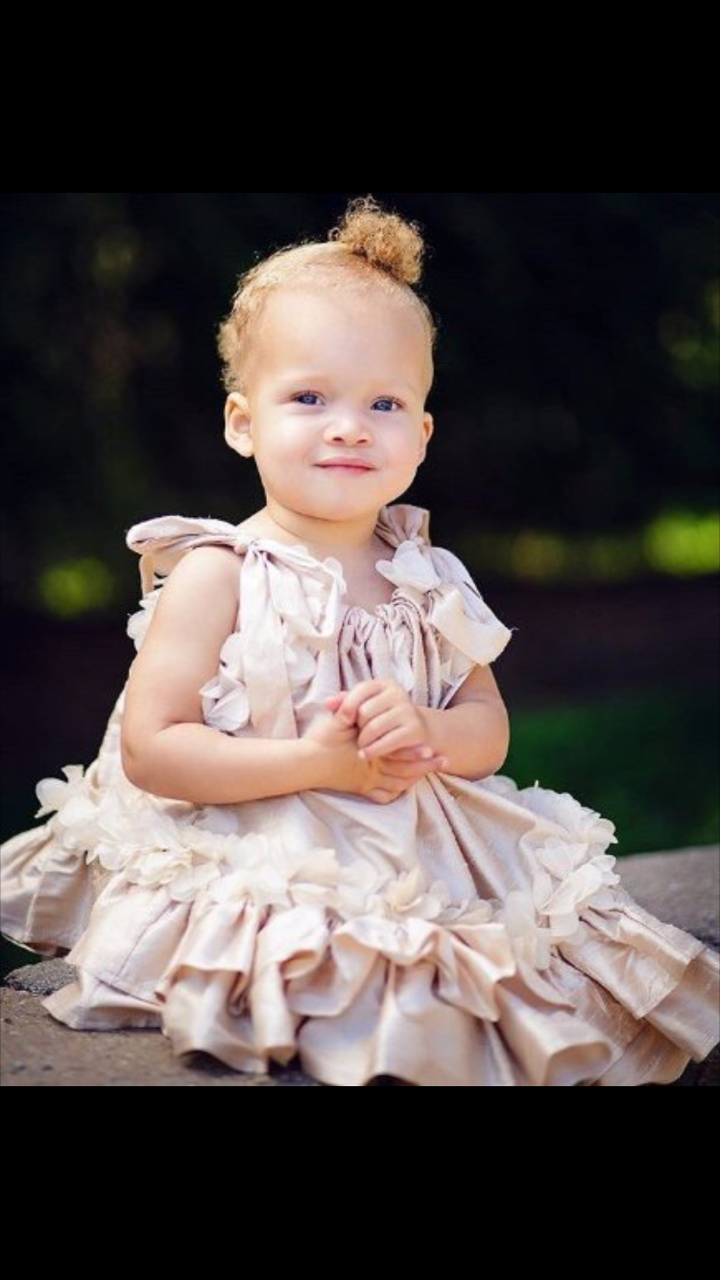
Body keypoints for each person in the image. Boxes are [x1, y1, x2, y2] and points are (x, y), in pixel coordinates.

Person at [2, 195, 718, 1087]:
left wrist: (428, 729)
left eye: (384, 402)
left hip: (416, 849)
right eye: (309, 397)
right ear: (242, 422)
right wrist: (316, 763)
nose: (349, 425)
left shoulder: (429, 574)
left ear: (421, 434)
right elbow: (153, 751)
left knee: (510, 956)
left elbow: (488, 727)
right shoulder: (218, 574)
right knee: (318, 958)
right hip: (266, 836)